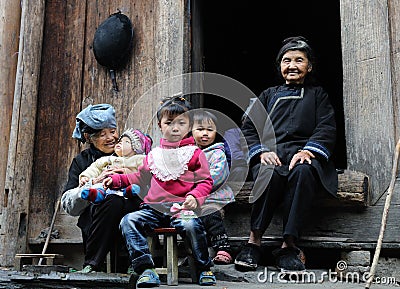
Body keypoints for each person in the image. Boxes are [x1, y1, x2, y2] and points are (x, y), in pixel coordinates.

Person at [234, 36, 338, 273]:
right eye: (286, 60)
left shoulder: (317, 94)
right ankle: (253, 242)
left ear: (309, 66)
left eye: (299, 60)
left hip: (303, 153)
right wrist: (261, 152)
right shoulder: (268, 95)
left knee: (303, 172)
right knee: (266, 173)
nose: (292, 65)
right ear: (280, 66)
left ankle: (289, 245)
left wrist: (309, 150)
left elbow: (326, 126)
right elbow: (249, 127)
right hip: (273, 153)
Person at [103, 96, 217, 287]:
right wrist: (116, 180)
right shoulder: (153, 155)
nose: (175, 128)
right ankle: (146, 269)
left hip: (180, 208)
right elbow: (138, 178)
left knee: (191, 226)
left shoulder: (195, 153)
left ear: (189, 126)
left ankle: (204, 267)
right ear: (160, 125)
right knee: (128, 221)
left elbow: (206, 181)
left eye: (181, 123)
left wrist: (194, 197)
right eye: (169, 122)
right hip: (152, 208)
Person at [61, 104, 142, 273]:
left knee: (116, 202)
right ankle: (104, 265)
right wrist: (91, 184)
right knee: (109, 203)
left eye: (112, 131)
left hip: (129, 208)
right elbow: (70, 205)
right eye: (102, 134)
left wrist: (128, 175)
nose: (111, 138)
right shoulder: (82, 161)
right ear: (88, 137)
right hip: (96, 215)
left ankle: (93, 263)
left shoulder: (131, 154)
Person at [192, 110, 235, 265]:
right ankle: (195, 253)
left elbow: (217, 176)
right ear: (191, 131)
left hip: (213, 196)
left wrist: (193, 185)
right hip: (192, 199)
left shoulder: (217, 153)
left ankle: (223, 247)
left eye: (210, 130)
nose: (205, 134)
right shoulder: (188, 152)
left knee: (210, 214)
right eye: (200, 129)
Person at [79, 128, 152, 204]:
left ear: (136, 149)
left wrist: (130, 172)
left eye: (126, 142)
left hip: (126, 187)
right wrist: (86, 176)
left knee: (134, 188)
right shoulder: (109, 159)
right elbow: (95, 167)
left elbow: (145, 174)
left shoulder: (139, 159)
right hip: (107, 186)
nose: (120, 143)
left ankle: (129, 191)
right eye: (120, 141)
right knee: (100, 186)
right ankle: (97, 194)